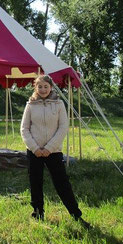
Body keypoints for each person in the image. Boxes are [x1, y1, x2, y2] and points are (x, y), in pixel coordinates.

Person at [20, 75, 90, 228]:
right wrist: (35, 148)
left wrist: (49, 148)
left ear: (51, 87)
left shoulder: (58, 104)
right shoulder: (30, 105)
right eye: (40, 86)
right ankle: (38, 212)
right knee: (35, 182)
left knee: (62, 183)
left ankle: (76, 214)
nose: (43, 89)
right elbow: (24, 129)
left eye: (46, 86)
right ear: (35, 88)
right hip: (35, 151)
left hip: (54, 151)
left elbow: (63, 127)